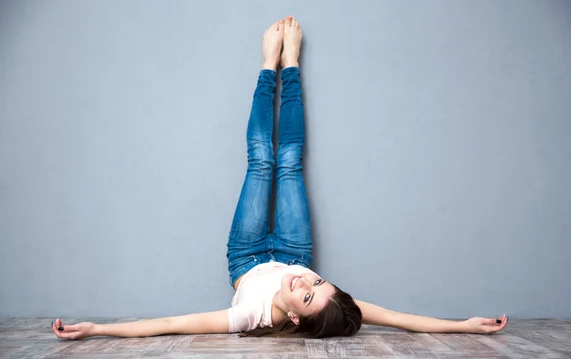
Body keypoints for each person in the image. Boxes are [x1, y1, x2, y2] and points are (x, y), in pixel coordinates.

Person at [52, 16, 508, 340]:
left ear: (293, 320)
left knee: (260, 159)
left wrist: (97, 328)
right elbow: (401, 318)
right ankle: (289, 67)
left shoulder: (248, 316)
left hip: (246, 256)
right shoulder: (333, 305)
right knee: (288, 158)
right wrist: (462, 325)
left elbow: (168, 324)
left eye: (306, 296)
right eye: (318, 283)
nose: (303, 284)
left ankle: (265, 66)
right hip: (294, 248)